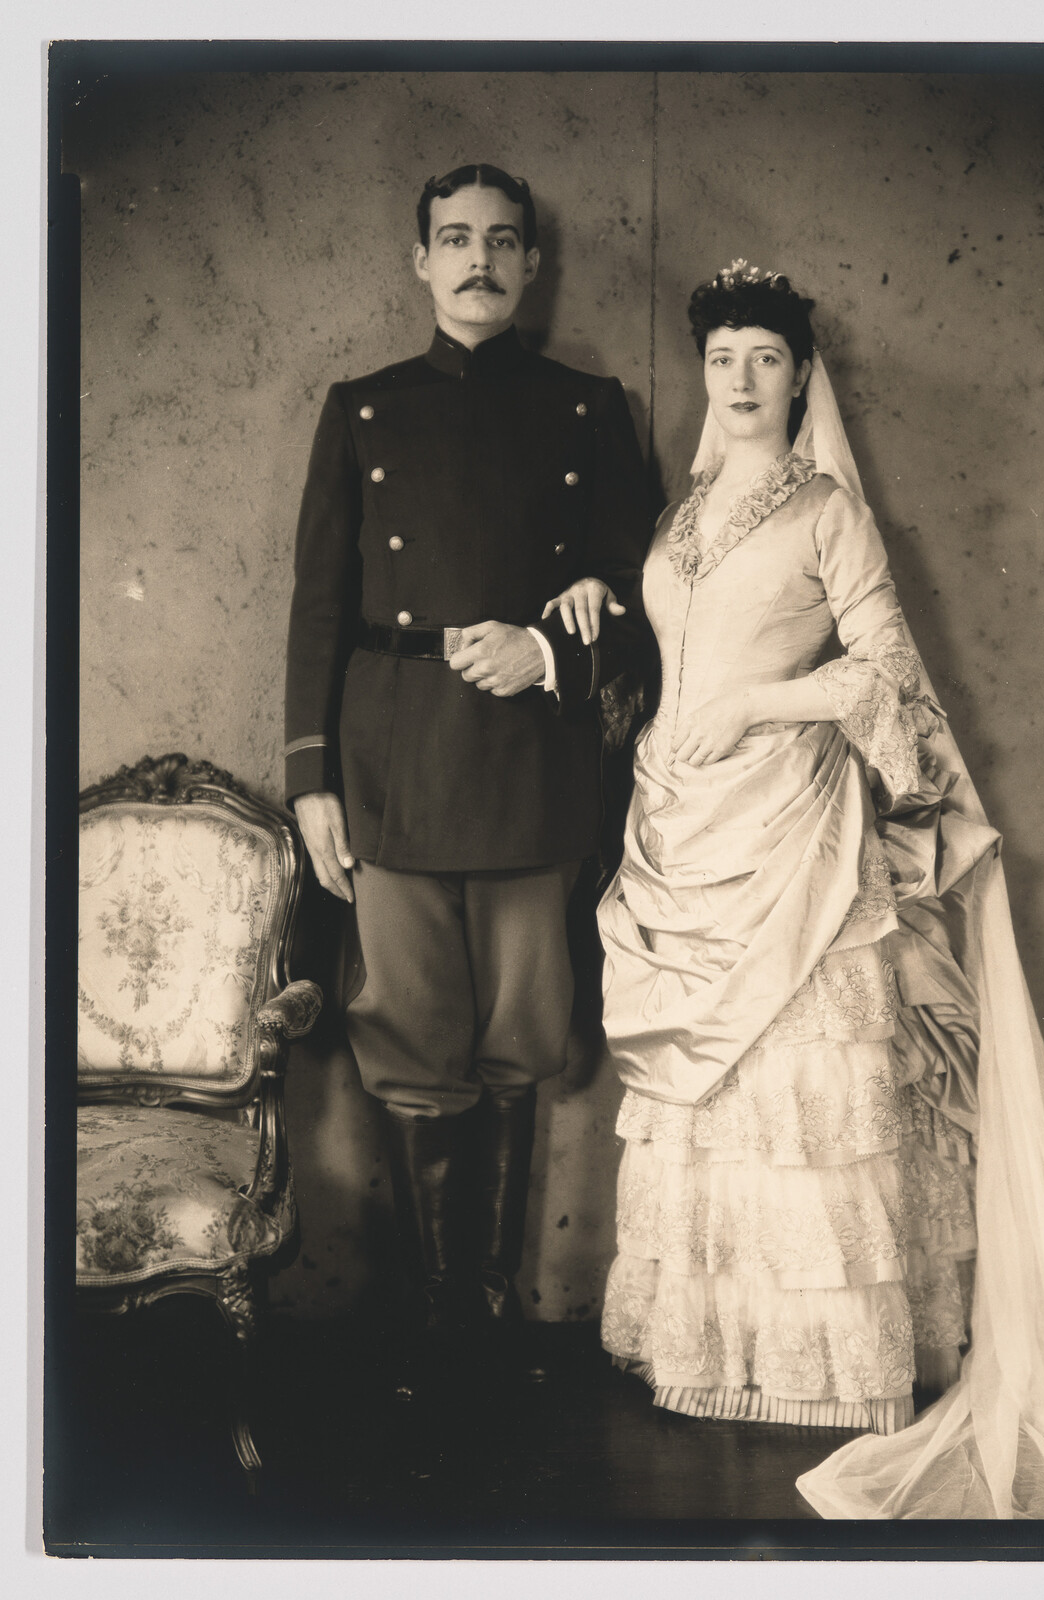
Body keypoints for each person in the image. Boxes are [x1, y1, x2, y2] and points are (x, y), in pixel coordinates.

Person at [549, 262, 1044, 1516]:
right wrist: (615, 633)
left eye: (764, 357)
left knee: (809, 1086)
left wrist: (757, 701)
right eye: (721, 360)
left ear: (800, 374)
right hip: (681, 828)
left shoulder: (825, 513)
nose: (741, 380)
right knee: (715, 1084)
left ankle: (829, 1370)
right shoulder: (676, 517)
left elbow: (882, 678)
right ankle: (717, 1355)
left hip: (793, 831)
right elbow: (674, 647)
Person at [283, 164, 651, 1375]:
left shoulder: (592, 409)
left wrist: (547, 647)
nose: (478, 260)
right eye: (454, 239)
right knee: (406, 1031)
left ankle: (488, 1308)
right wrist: (310, 781)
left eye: (502, 241)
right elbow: (317, 609)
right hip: (390, 763)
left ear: (532, 264)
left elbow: (647, 609)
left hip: (533, 767)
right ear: (420, 261)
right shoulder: (364, 408)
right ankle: (441, 1314)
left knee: (521, 1034)